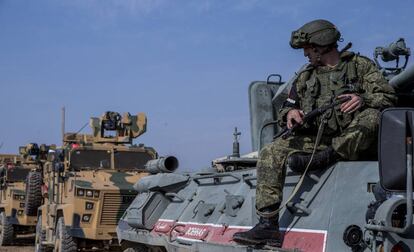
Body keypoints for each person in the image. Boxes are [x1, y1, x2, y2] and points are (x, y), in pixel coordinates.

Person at [232, 19, 397, 247]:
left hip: (355, 138)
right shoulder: (305, 77)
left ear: (321, 44)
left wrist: (362, 98)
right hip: (319, 138)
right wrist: (290, 113)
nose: (305, 54)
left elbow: (387, 96)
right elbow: (286, 107)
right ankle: (267, 225)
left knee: (372, 116)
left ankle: (331, 156)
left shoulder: (360, 66)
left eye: (308, 49)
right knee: (271, 151)